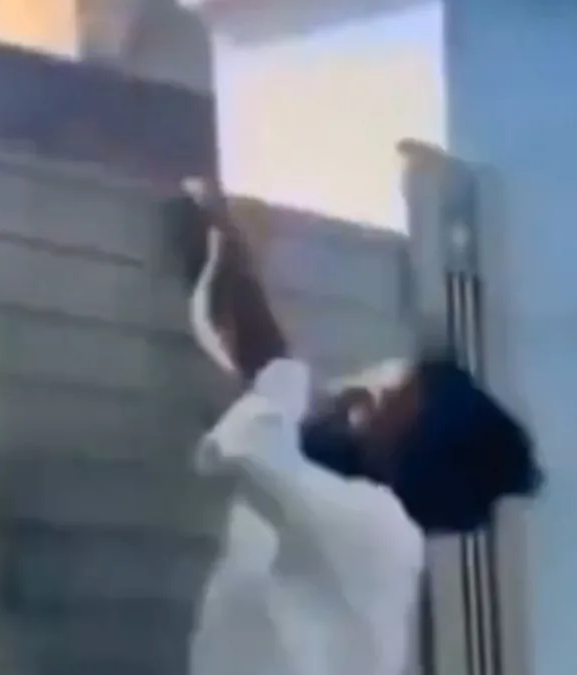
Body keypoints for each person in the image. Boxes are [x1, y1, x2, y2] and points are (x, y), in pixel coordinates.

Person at [169, 179, 543, 675]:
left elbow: (257, 430)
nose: (372, 392)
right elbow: (276, 385)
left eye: (391, 399)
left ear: (415, 452)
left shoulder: (375, 532)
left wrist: (230, 256)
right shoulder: (338, 508)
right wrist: (231, 259)